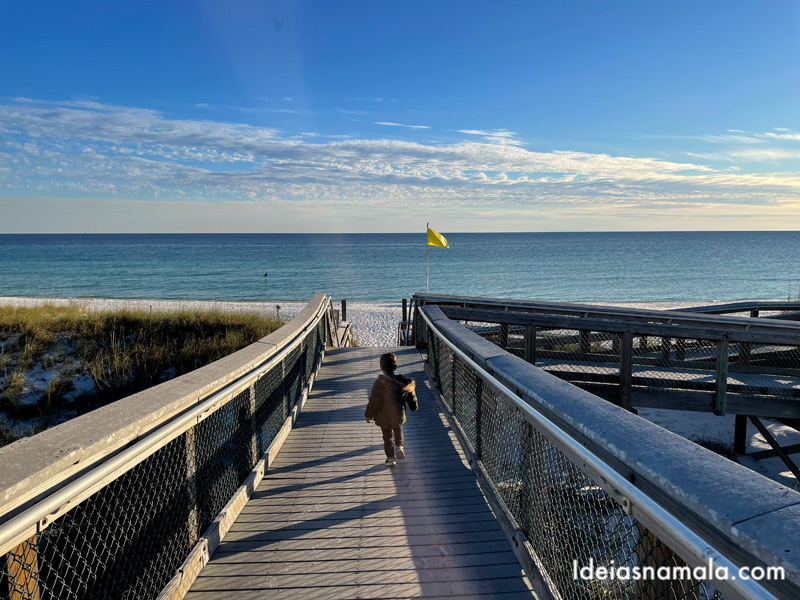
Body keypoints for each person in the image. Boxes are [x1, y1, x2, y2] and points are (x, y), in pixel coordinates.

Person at [365, 352, 418, 467]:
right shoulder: (403, 381)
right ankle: (399, 447)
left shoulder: (378, 384)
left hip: (383, 417)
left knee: (387, 437)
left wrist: (368, 415)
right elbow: (411, 394)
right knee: (398, 429)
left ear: (381, 368)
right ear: (395, 366)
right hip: (398, 415)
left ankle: (390, 458)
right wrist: (413, 406)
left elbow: (373, 401)